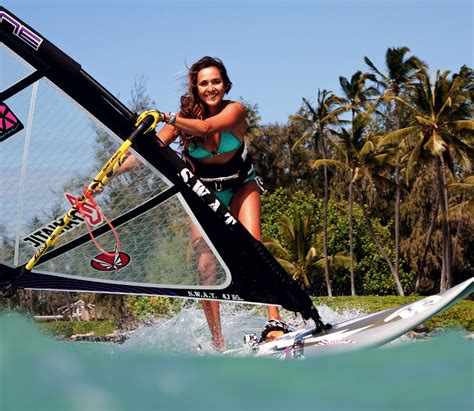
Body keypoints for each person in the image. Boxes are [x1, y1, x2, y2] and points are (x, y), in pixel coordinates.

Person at [123, 56, 290, 350]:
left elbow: (207, 127)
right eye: (204, 83)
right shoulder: (181, 121)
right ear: (196, 88)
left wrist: (165, 116)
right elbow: (150, 151)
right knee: (205, 266)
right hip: (204, 193)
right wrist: (117, 167)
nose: (211, 88)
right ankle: (217, 342)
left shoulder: (235, 111)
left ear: (225, 84)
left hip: (241, 185)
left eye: (216, 81)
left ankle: (274, 322)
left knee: (254, 248)